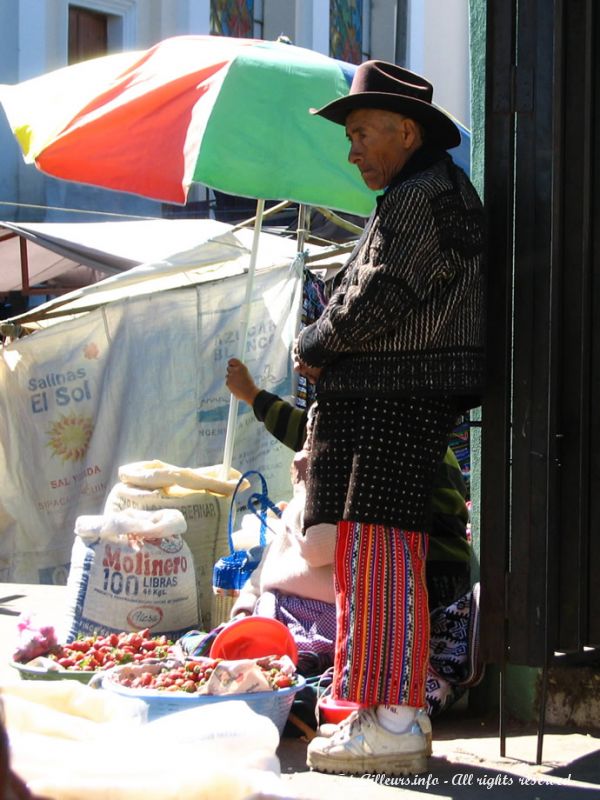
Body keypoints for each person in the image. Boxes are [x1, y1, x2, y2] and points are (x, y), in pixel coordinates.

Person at [291, 61, 485, 775]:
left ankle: (397, 719)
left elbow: (383, 292)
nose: (352, 151)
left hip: (394, 400)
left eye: (362, 133)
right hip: (393, 400)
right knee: (374, 554)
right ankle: (380, 711)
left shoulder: (420, 196)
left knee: (379, 555)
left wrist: (314, 344)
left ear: (406, 132)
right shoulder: (423, 189)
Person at [226, 357, 471, 611]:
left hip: (421, 576)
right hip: (451, 573)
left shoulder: (363, 421)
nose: (300, 366)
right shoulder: (410, 421)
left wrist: (253, 396)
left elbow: (317, 545)